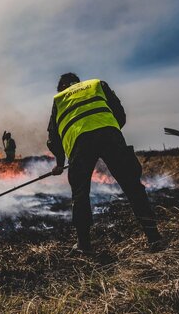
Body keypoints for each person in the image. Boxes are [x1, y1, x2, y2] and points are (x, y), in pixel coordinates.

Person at [47, 73, 163, 252]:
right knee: (132, 186)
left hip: (79, 144)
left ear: (61, 87)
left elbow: (53, 140)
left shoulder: (59, 99)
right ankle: (154, 238)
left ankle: (84, 245)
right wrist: (109, 133)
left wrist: (60, 164)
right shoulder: (97, 84)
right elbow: (120, 114)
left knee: (80, 194)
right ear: (78, 82)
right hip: (110, 135)